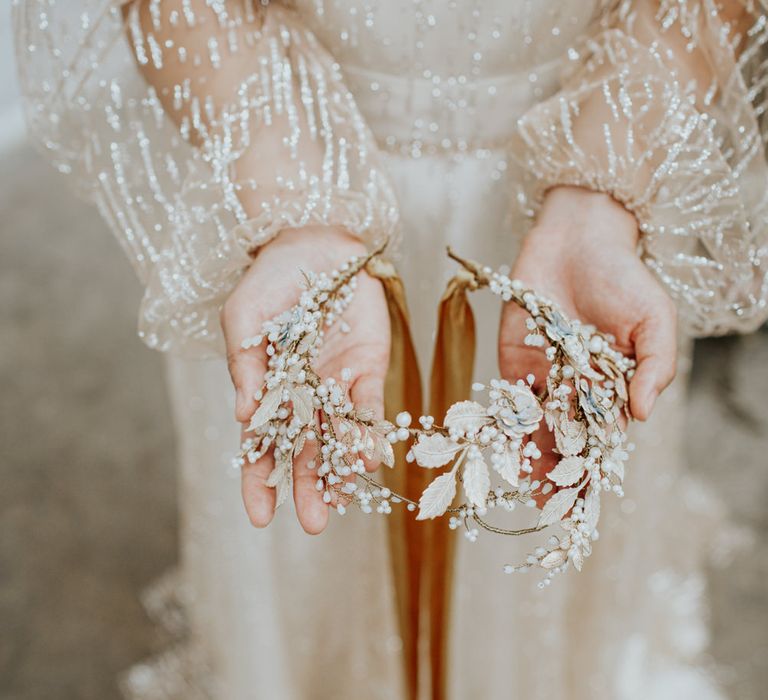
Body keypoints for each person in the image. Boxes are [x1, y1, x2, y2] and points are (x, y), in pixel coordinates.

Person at [15, 1, 768, 698]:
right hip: (279, 163)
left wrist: (603, 192)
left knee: (541, 483)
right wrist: (295, 212)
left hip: (582, 175)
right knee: (310, 474)